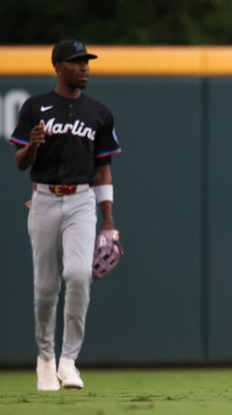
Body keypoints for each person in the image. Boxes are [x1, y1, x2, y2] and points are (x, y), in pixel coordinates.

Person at [8, 40, 122, 391]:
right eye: (76, 62)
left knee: (77, 274)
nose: (84, 67)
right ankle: (45, 358)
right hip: (43, 198)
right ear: (58, 67)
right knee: (45, 287)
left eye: (86, 61)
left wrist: (109, 222)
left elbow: (103, 170)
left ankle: (69, 360)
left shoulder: (99, 113)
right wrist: (34, 145)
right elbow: (20, 163)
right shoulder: (34, 106)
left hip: (82, 201)